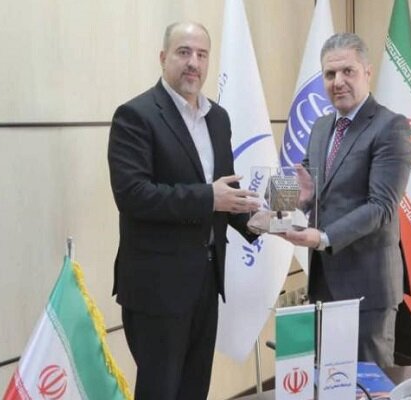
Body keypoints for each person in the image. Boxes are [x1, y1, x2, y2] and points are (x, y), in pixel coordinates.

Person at [107, 21, 258, 399]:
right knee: (160, 391)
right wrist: (209, 198)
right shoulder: (135, 115)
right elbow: (133, 195)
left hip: (206, 281)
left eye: (202, 55)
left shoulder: (218, 118)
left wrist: (262, 221)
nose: (194, 62)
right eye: (184, 52)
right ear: (163, 58)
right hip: (157, 287)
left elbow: (225, 192)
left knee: (194, 390)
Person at [281, 32, 411, 368]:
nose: (338, 82)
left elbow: (381, 207)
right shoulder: (321, 126)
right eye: (330, 74)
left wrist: (323, 237)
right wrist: (292, 201)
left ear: (367, 72)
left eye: (347, 71)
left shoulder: (390, 127)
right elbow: (312, 188)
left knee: (368, 382)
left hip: (368, 286)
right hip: (324, 282)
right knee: (331, 379)